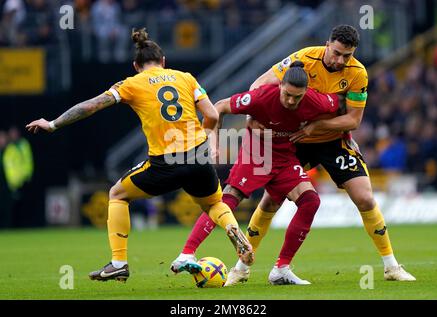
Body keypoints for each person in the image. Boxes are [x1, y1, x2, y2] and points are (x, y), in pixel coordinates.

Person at [173, 24, 415, 285]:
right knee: (269, 202)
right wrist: (253, 118)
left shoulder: (357, 73)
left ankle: (391, 266)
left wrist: (316, 126)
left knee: (365, 198)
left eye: (347, 56)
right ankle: (241, 267)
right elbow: (259, 86)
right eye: (336, 53)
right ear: (327, 44)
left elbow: (353, 120)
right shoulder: (302, 59)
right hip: (291, 142)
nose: (340, 60)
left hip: (330, 140)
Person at [26, 28, 253, 283]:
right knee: (213, 203)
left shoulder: (131, 83)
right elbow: (212, 114)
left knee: (117, 194)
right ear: (164, 61)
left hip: (165, 162)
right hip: (198, 154)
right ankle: (234, 230)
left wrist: (53, 123)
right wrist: (207, 139)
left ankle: (119, 263)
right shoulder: (185, 78)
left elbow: (90, 106)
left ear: (136, 65)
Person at [172, 61, 341, 285]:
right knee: (228, 200)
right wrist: (213, 141)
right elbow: (220, 106)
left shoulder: (315, 101)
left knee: (310, 201)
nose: (291, 101)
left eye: (297, 97)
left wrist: (345, 137)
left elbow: (340, 106)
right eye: (287, 94)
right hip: (257, 153)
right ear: (280, 85)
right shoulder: (261, 97)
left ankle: (281, 269)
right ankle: (187, 253)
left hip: (284, 157)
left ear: (306, 92)